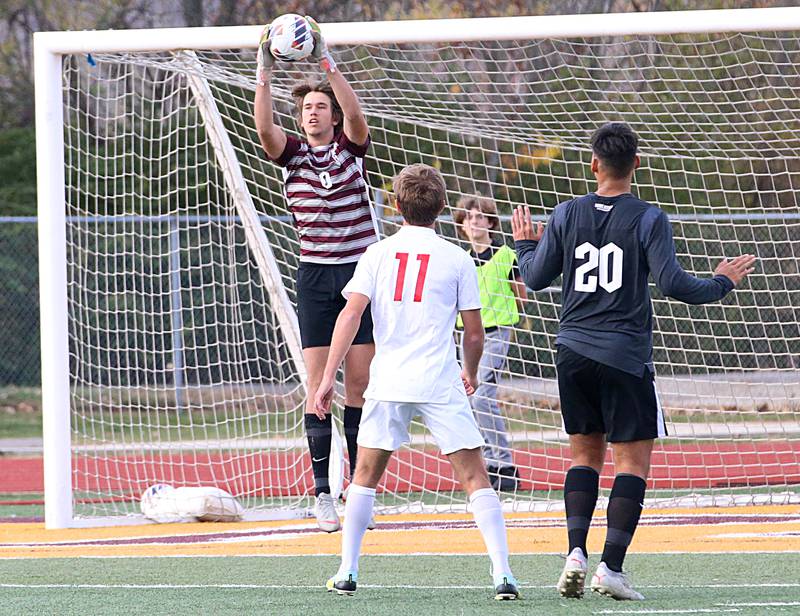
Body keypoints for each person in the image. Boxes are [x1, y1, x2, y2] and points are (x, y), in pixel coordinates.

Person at [511, 122, 756, 601]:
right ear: (636, 165)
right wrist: (722, 280)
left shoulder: (565, 212)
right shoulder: (649, 218)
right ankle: (612, 568)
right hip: (624, 355)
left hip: (573, 352)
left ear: (594, 164)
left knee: (583, 456)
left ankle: (575, 553)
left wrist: (524, 245)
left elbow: (535, 277)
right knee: (632, 465)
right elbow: (674, 286)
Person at [314, 164, 519, 600]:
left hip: (389, 380)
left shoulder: (376, 254)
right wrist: (472, 372)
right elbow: (475, 332)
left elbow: (350, 314)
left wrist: (327, 376)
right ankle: (502, 575)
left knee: (365, 474)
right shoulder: (458, 258)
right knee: (474, 476)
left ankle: (347, 571)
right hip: (441, 380)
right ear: (443, 208)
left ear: (396, 205)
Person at [254, 17, 377, 532]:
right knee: (317, 387)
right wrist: (263, 70)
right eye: (306, 107)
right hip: (316, 277)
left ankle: (359, 491)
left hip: (359, 275)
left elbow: (356, 112)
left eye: (319, 105)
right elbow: (263, 129)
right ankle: (323, 493)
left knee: (360, 387)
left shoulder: (350, 148)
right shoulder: (293, 156)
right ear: (300, 119)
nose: (313, 111)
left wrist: (327, 61)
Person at [453, 195, 526, 491]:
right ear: (463, 226)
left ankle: (506, 465)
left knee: (483, 398)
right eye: (470, 218)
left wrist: (507, 312)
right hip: (467, 336)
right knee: (471, 400)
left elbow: (520, 293)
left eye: (480, 217)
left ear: (491, 223)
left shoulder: (507, 255)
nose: (475, 221)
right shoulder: (461, 260)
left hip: (496, 333)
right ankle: (492, 465)